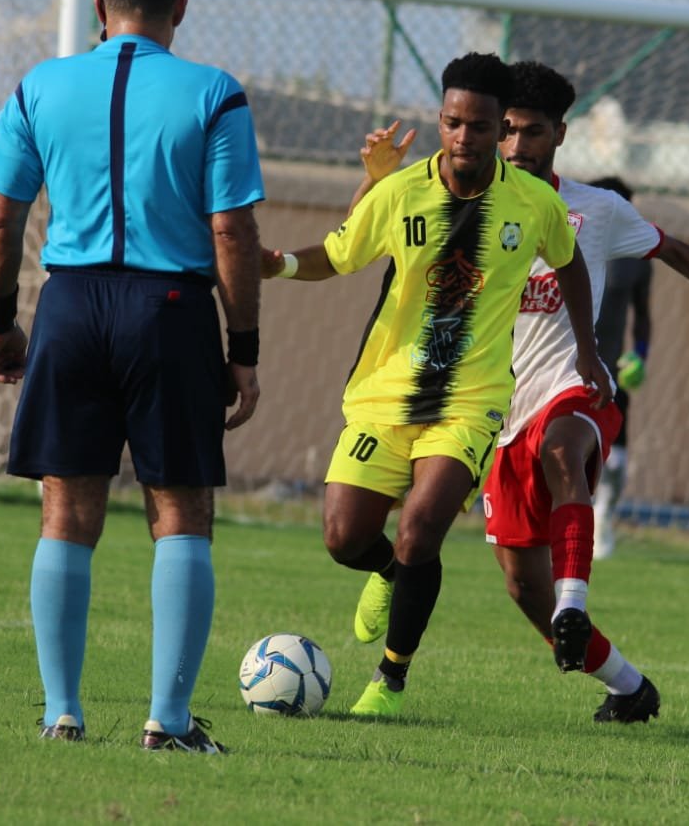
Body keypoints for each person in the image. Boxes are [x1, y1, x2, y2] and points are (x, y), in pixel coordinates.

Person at [353, 60, 689, 724]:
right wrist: (373, 181)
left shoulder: (597, 210)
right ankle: (629, 686)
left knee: (565, 450)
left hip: (573, 388)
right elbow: (364, 239)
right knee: (522, 585)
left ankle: (572, 600)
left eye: (534, 132)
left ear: (561, 134)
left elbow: (675, 250)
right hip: (489, 410)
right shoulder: (456, 201)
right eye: (508, 130)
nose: (518, 145)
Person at [260, 52, 610, 719]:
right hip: (384, 393)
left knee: (421, 528)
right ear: (441, 120)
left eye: (479, 126)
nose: (463, 137)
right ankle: (392, 573)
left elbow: (570, 266)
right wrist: (276, 264)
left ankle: (389, 680)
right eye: (452, 122)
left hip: (470, 403)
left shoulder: (534, 203)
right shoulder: (401, 191)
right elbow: (337, 254)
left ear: (499, 128)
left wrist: (587, 351)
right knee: (343, 537)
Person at [0, 0, 263, 754]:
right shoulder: (215, 93)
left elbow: (1, 219)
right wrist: (242, 351)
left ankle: (61, 712)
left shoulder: (40, 85)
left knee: (66, 511)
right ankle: (169, 720)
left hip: (69, 306)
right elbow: (233, 231)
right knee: (182, 512)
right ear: (181, 7)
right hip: (170, 309)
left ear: (99, 6)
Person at [588, 176, 653, 560]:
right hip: (561, 365)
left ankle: (603, 517)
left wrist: (641, 353)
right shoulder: (565, 240)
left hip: (611, 371)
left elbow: (643, 315)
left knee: (616, 454)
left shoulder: (636, 259)